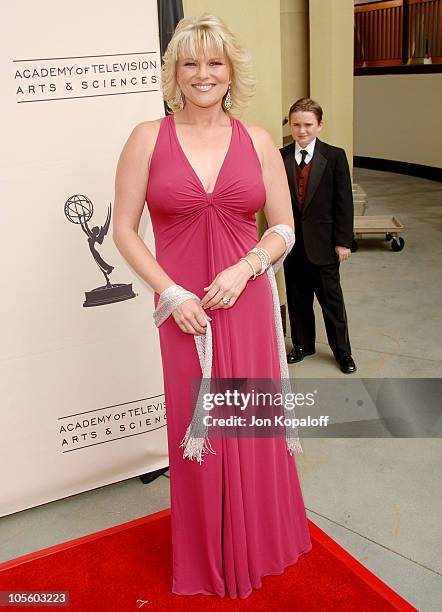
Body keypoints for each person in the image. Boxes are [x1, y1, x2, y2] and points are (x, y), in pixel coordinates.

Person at [113, 14, 311, 600]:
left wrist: (247, 267)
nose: (203, 74)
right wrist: (169, 292)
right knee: (198, 429)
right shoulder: (147, 137)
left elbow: (283, 227)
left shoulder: (255, 140)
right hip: (183, 313)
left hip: (245, 302)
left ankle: (259, 541)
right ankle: (208, 557)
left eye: (215, 62)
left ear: (231, 73)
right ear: (175, 71)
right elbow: (125, 231)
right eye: (191, 62)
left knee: (248, 429)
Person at [281, 98, 357, 374]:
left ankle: (343, 352)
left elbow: (343, 202)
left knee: (332, 301)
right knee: (298, 298)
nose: (302, 130)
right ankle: (302, 345)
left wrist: (343, 241)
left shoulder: (335, 156)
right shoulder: (281, 156)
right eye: (296, 124)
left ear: (320, 125)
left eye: (308, 125)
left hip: (325, 244)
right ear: (290, 124)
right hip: (293, 245)